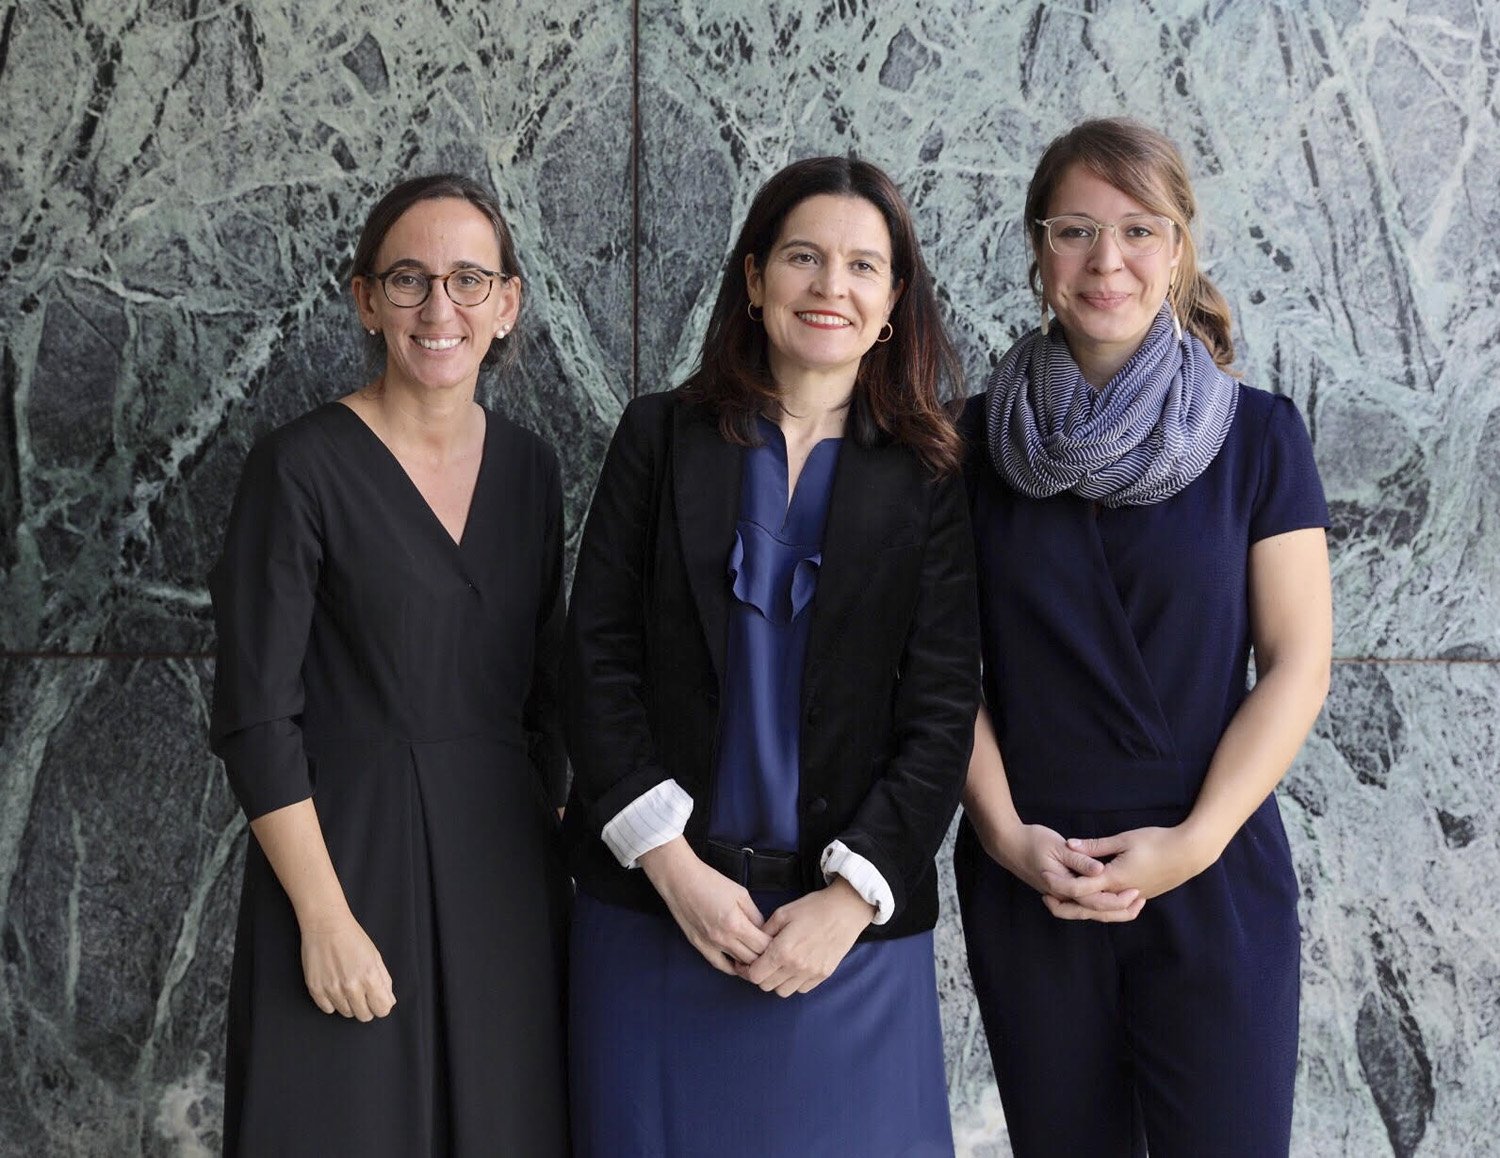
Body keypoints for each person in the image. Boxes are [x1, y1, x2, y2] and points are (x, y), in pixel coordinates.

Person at [562, 156, 980, 1158]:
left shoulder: (929, 478)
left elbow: (942, 709)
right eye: (804, 257)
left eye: (861, 267)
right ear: (754, 281)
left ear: (892, 305)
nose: (830, 286)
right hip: (659, 921)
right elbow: (595, 658)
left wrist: (846, 902)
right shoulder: (659, 438)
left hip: (848, 951)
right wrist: (673, 869)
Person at [954, 118, 1333, 1158]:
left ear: (1177, 249)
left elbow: (1298, 662)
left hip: (1212, 873)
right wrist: (1002, 836)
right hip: (1033, 877)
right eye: (1074, 230)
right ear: (1039, 252)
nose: (1105, 261)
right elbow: (940, 674)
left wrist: (1197, 842)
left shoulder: (1261, 436)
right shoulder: (968, 446)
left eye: (1136, 229)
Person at [208, 174, 570, 1156]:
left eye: (466, 279)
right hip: (345, 865)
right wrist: (322, 919)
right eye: (408, 280)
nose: (438, 308)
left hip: (505, 878)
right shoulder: (298, 469)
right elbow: (254, 717)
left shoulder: (533, 471)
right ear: (365, 299)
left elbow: (549, 696)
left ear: (508, 303)